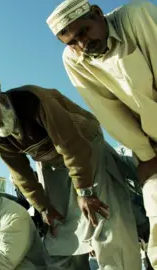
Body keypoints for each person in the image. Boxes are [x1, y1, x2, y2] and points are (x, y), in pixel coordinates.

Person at [0, 76, 141, 269]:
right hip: (48, 159)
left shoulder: (35, 101)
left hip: (84, 146)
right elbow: (19, 171)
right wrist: (44, 207)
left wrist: (84, 191)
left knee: (101, 212)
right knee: (59, 226)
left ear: (0, 99)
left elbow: (71, 145)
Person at [47, 0, 157, 266]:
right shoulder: (74, 59)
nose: (82, 44)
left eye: (84, 32)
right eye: (71, 41)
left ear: (97, 13)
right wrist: (145, 154)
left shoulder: (137, 16)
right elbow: (109, 111)